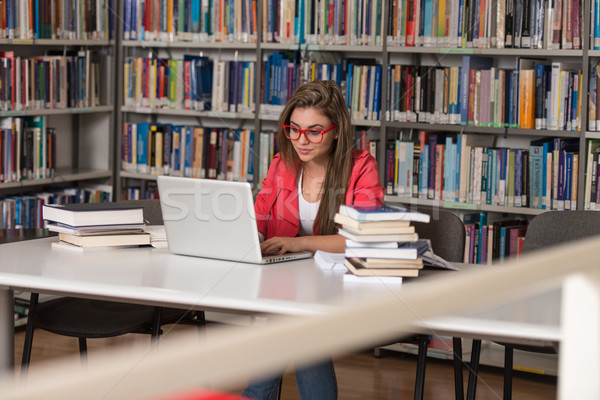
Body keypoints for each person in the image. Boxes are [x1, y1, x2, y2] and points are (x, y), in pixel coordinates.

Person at [241, 80, 384, 400]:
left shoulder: (361, 166)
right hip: (290, 280)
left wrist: (299, 243)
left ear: (336, 131)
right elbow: (260, 214)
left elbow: (362, 237)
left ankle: (254, 395)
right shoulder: (282, 163)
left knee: (295, 321)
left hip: (341, 279)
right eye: (294, 129)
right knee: (297, 322)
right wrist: (251, 237)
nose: (301, 141)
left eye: (314, 131)